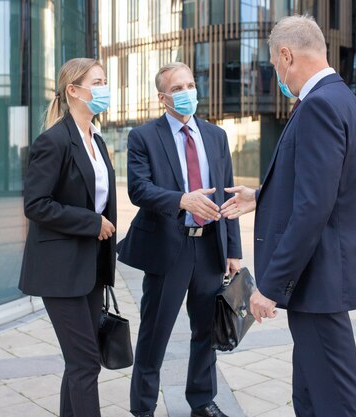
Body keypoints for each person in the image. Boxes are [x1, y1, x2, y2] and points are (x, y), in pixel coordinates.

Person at [221, 15, 356, 417]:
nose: (279, 77)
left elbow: (313, 207)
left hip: (319, 281)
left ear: (286, 55)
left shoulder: (318, 107)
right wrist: (261, 196)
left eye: (276, 67)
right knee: (311, 395)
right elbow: (329, 187)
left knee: (333, 401)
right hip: (328, 278)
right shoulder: (346, 102)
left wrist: (271, 288)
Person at [117, 62, 242, 417]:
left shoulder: (216, 136)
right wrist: (181, 200)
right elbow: (139, 189)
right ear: (163, 97)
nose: (188, 92)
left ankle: (202, 402)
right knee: (154, 334)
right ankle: (143, 409)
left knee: (206, 331)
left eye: (191, 84)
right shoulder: (143, 137)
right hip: (168, 248)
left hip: (209, 247)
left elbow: (228, 195)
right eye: (178, 88)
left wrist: (233, 250)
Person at [19, 58, 116, 417]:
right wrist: (91, 223)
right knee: (86, 363)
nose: (104, 88)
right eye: (97, 81)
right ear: (73, 90)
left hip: (89, 267)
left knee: (79, 362)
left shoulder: (97, 140)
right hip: (59, 271)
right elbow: (36, 205)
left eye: (105, 81)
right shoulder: (53, 141)